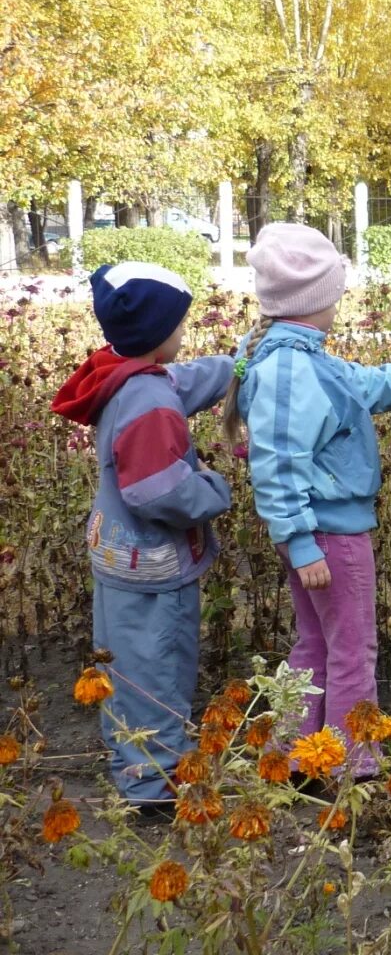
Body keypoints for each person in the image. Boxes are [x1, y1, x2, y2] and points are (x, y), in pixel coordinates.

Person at [223, 223, 391, 778]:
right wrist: (299, 539)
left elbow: (359, 385)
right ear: (317, 298)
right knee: (352, 650)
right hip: (328, 536)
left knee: (314, 642)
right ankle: (352, 767)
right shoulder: (291, 370)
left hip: (313, 535)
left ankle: (292, 756)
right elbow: (276, 461)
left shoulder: (296, 356)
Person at [51, 263, 234, 814]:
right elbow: (160, 494)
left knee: (124, 664)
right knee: (157, 667)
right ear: (160, 334)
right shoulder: (150, 404)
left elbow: (181, 381)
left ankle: (130, 759)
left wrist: (234, 364)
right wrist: (213, 487)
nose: (185, 333)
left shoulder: (122, 374)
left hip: (117, 556)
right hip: (153, 565)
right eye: (180, 324)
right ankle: (151, 785)